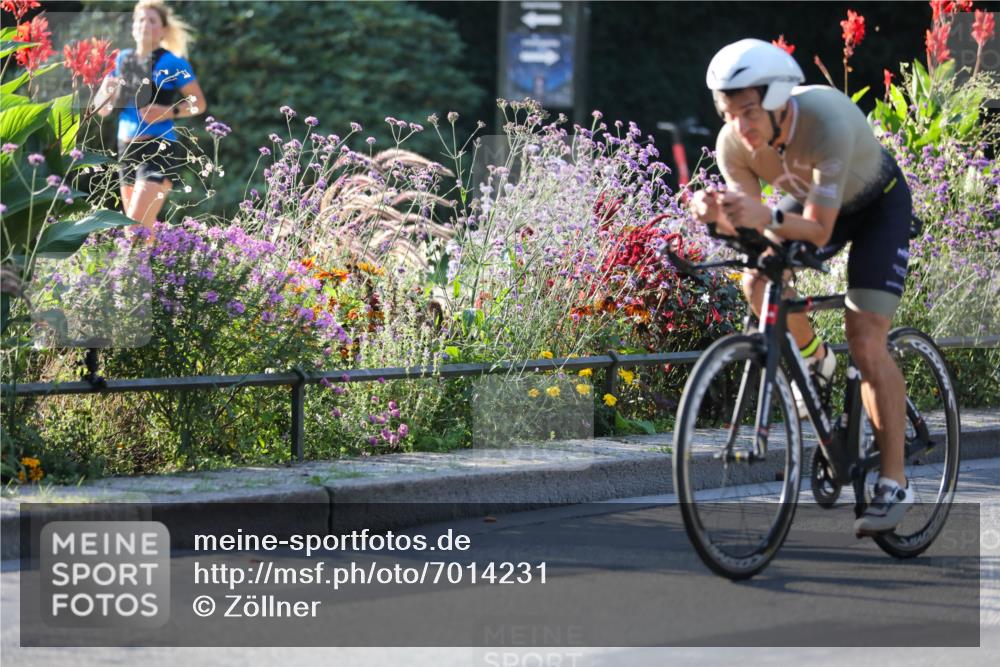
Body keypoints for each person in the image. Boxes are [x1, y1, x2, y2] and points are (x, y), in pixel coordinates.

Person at [689, 39, 915, 535]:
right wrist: (717, 216)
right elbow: (755, 230)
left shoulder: (827, 120)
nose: (740, 127)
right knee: (756, 280)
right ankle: (816, 360)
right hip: (813, 203)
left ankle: (895, 481)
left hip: (875, 208)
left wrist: (763, 216)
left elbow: (816, 229)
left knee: (866, 340)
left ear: (777, 100)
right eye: (729, 114)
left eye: (749, 112)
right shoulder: (734, 144)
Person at [93, 0, 206, 238]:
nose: (145, 25)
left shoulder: (173, 63)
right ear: (133, 27)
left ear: (163, 29)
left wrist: (170, 111)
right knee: (143, 233)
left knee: (133, 228)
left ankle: (125, 265)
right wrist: (105, 91)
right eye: (141, 20)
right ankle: (156, 263)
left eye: (152, 20)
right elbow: (101, 110)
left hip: (158, 149)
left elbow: (199, 103)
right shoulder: (120, 60)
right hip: (126, 150)